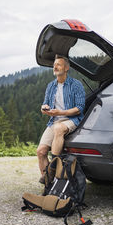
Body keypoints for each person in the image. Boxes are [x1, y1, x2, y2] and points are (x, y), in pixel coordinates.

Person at [37, 55, 85, 184]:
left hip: (72, 119)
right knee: (40, 151)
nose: (55, 66)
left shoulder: (76, 84)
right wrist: (44, 108)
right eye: (54, 65)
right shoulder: (51, 86)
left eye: (58, 64)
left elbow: (79, 108)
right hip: (54, 120)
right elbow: (44, 104)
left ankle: (52, 169)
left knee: (59, 128)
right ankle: (48, 183)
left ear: (66, 68)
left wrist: (60, 112)